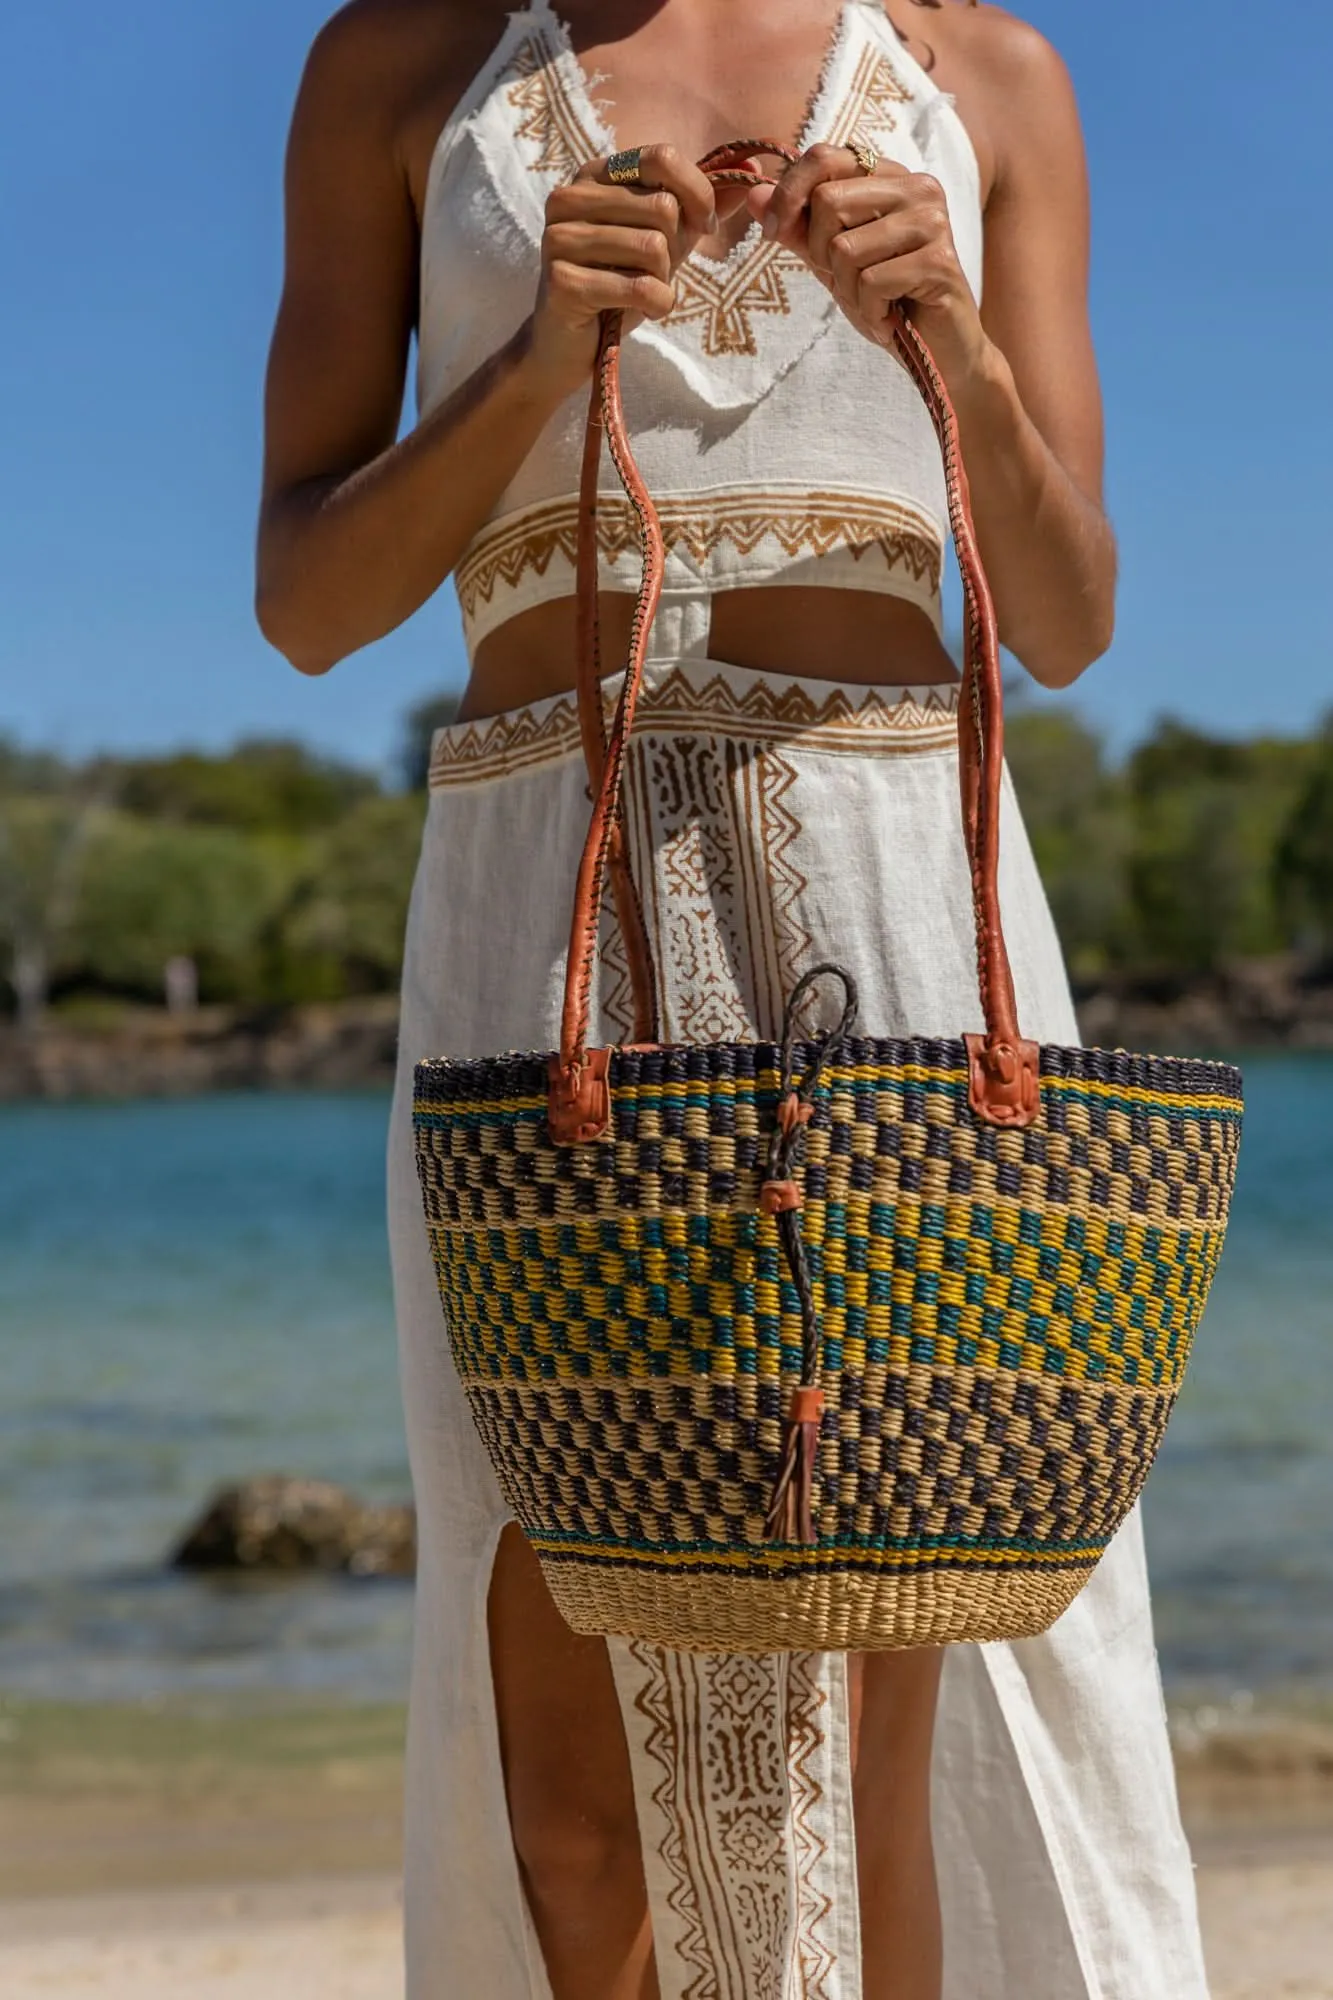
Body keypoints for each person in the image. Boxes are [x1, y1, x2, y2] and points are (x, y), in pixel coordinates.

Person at [255, 3, 1209, 1994]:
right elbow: (313, 598)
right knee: (565, 1725)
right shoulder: (404, 68)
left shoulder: (983, 80)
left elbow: (1064, 611)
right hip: (544, 912)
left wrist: (946, 335)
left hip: (898, 909)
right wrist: (537, 368)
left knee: (894, 1683)